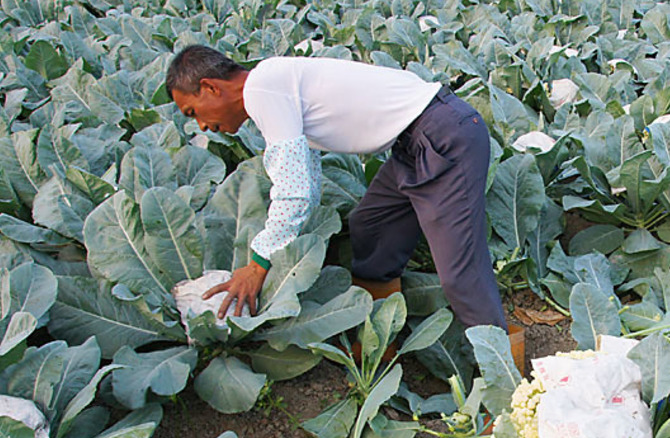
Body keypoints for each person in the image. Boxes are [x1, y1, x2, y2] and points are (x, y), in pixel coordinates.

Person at [165, 45, 522, 363]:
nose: (201, 126)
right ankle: (378, 342)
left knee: (460, 273)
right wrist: (285, 249)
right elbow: (306, 180)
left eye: (193, 111)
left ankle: (507, 379)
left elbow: (293, 190)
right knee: (372, 225)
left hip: (444, 135)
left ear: (211, 87)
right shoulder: (271, 83)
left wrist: (258, 264)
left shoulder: (261, 90)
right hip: (416, 140)